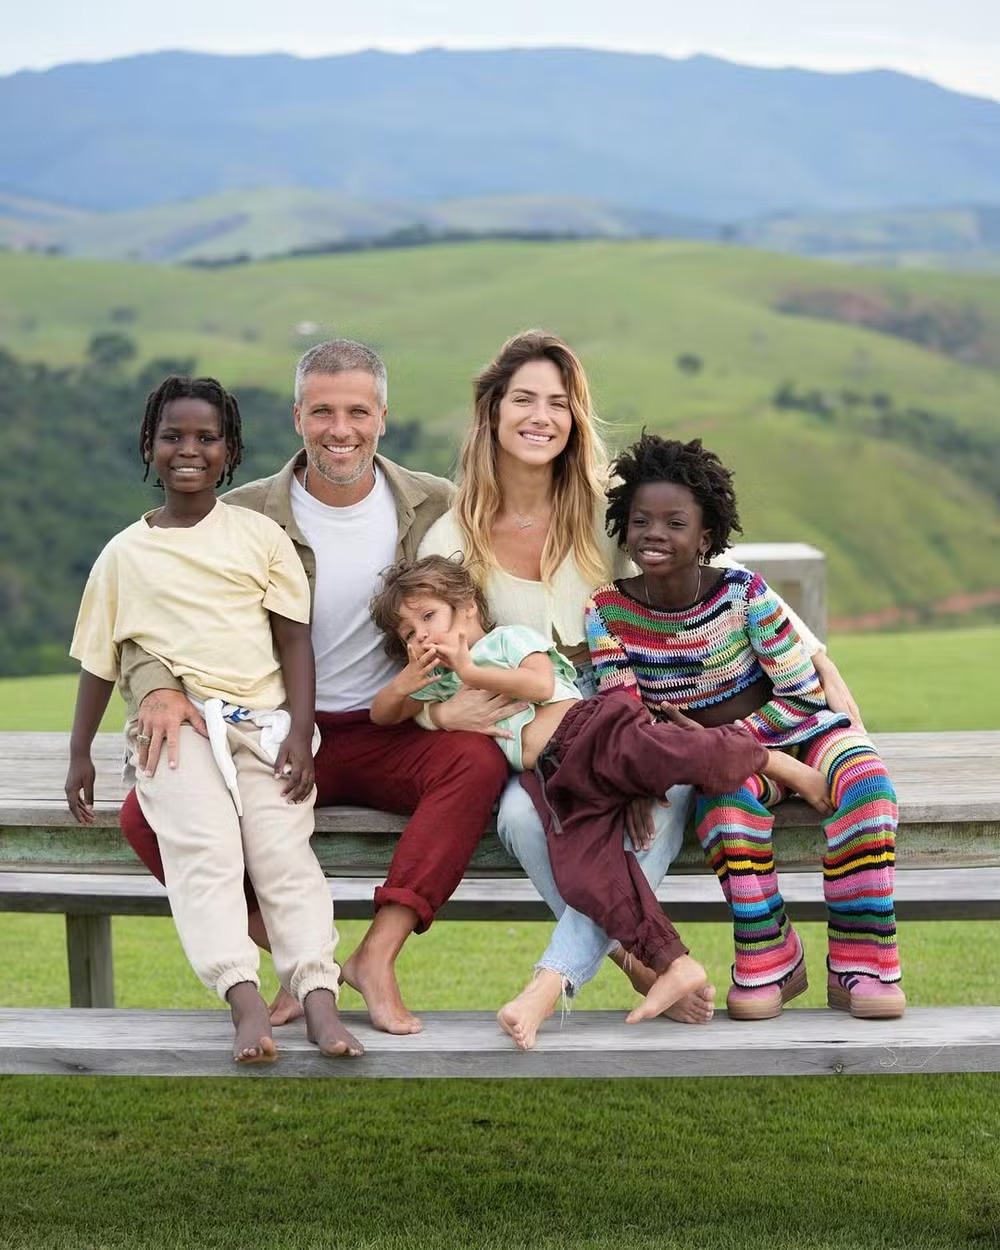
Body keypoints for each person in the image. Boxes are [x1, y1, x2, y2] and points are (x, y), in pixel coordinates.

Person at [418, 329, 862, 1047]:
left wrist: (815, 653)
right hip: (532, 726)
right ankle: (639, 950)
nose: (541, 416)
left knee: (655, 807)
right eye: (524, 399)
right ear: (492, 411)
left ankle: (586, 973)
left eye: (558, 403)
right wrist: (443, 714)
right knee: (523, 823)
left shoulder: (604, 505)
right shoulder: (450, 535)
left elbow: (710, 559)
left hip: (636, 703)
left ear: (575, 418)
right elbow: (430, 648)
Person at [114, 342, 510, 1036]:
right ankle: (294, 958)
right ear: (298, 416)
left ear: (382, 416)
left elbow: (484, 601)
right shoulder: (238, 513)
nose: (340, 429)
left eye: (358, 410)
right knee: (143, 816)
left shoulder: (435, 505)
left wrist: (478, 686)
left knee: (475, 765)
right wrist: (156, 690)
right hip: (273, 734)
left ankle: (376, 956)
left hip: (393, 729)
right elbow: (149, 623)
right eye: (322, 410)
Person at [369, 555, 817, 1042]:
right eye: (409, 634)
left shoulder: (505, 642)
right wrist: (411, 687)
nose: (422, 638)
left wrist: (472, 670)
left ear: (470, 609)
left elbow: (539, 684)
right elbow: (382, 714)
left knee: (673, 752)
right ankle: (673, 962)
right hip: (559, 781)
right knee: (587, 876)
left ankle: (772, 761)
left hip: (590, 731)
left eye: (429, 617)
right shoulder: (442, 687)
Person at [64, 376, 361, 1063]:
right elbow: (99, 662)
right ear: (149, 446)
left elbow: (294, 642)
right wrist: (80, 753)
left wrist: (301, 733)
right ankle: (246, 1004)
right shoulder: (123, 556)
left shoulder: (260, 538)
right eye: (173, 437)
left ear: (230, 452)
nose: (188, 450)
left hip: (263, 725)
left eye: (206, 438)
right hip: (176, 730)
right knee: (207, 851)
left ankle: (319, 1000)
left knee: (283, 853)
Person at [587, 432, 905, 1020]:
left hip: (806, 736)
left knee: (867, 786)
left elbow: (803, 695)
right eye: (640, 521)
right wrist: (650, 771)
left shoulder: (743, 593)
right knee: (726, 810)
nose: (654, 533)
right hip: (719, 767)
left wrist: (721, 742)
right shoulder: (606, 611)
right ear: (623, 528)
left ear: (705, 536)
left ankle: (861, 963)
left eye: (674, 522)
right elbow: (624, 713)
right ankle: (771, 959)